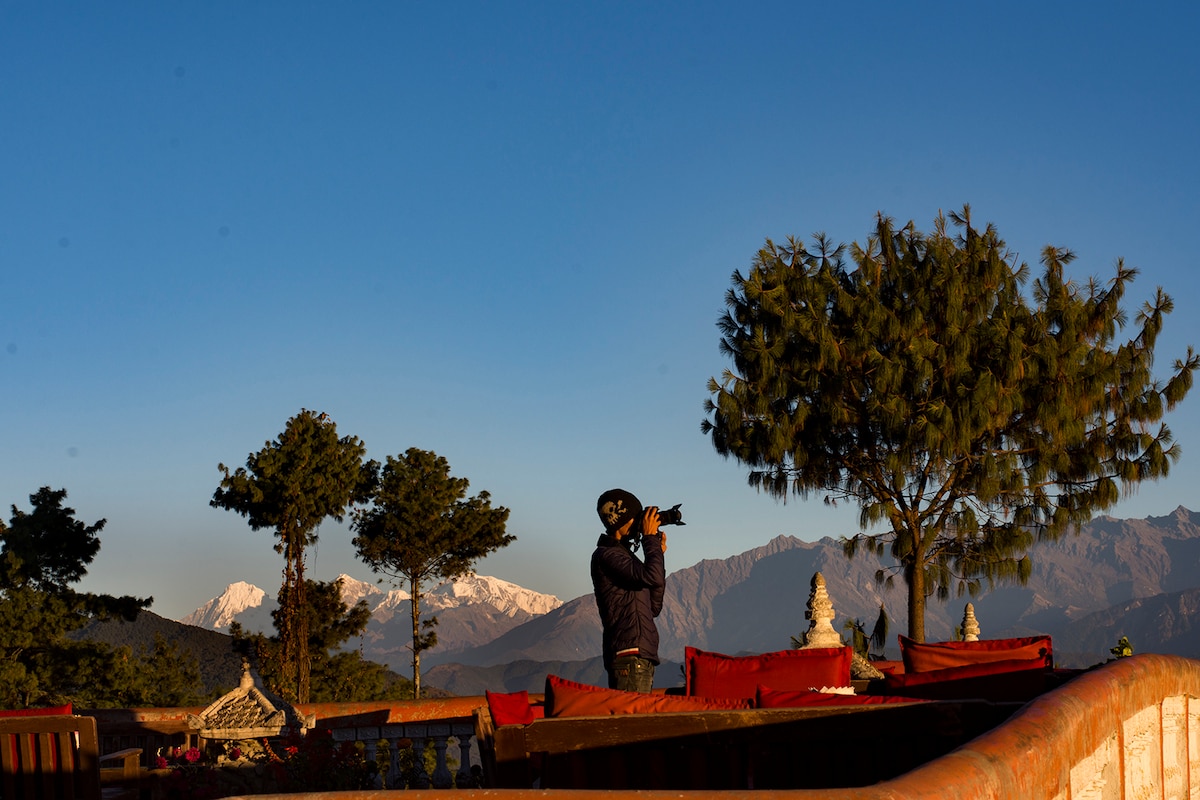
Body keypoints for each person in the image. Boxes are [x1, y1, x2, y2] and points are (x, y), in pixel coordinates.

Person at [591, 488, 666, 692]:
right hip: (629, 657)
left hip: (640, 656)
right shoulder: (607, 556)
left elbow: (653, 608)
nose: (640, 523)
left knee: (641, 722)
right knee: (636, 722)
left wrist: (657, 552)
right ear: (619, 520)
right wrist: (650, 541)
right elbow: (652, 576)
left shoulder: (625, 558)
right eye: (636, 517)